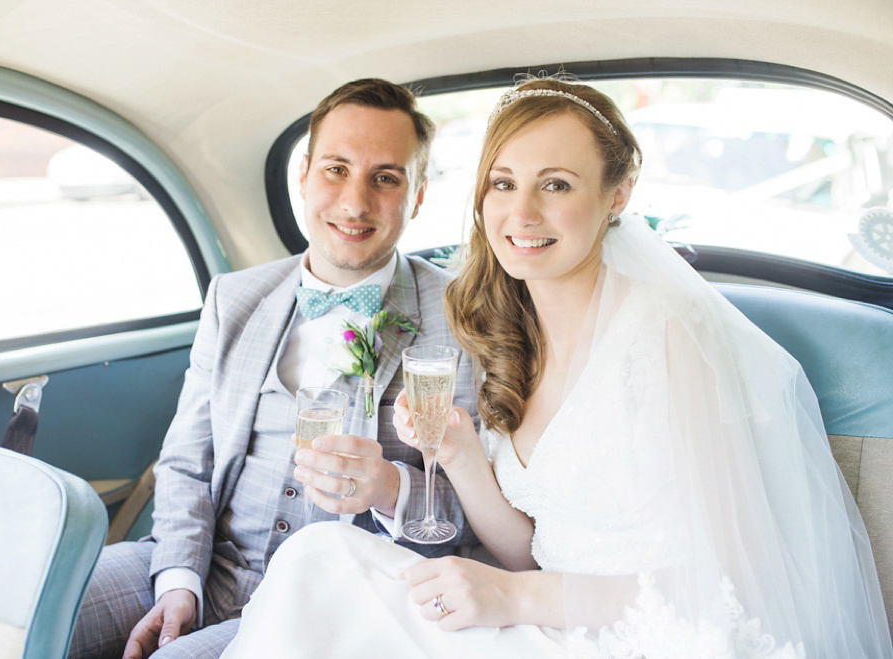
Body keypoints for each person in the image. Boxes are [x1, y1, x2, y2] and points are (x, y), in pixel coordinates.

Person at [220, 77, 893, 657]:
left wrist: (516, 595)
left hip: (650, 637)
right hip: (545, 624)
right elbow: (530, 548)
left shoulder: (667, 335)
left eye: (557, 184)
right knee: (318, 556)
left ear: (618, 194)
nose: (521, 212)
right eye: (504, 183)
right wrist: (458, 452)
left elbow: (738, 579)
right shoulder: (510, 337)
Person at [67, 78, 480, 659]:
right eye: (336, 169)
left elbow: (481, 522)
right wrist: (178, 580)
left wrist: (393, 489)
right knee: (31, 601)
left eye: (385, 178)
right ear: (305, 174)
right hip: (206, 564)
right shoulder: (233, 299)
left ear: (416, 197)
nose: (355, 202)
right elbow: (187, 461)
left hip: (336, 597)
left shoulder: (467, 320)